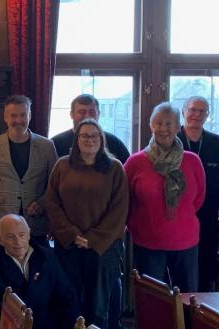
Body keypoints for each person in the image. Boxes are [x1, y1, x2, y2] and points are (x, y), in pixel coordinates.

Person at [43, 119, 128, 329]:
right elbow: (52, 202)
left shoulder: (115, 168)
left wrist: (92, 239)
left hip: (104, 247)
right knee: (69, 301)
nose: (89, 140)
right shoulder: (62, 165)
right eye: (84, 136)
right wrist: (72, 234)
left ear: (102, 139)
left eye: (94, 136)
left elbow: (119, 210)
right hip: (68, 244)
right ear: (77, 139)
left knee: (99, 306)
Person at [124, 103, 206, 292]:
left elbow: (198, 199)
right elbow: (125, 200)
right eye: (158, 123)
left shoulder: (192, 161)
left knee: (187, 298)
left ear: (178, 127)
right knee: (152, 299)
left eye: (169, 124)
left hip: (185, 241)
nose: (164, 129)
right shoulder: (135, 162)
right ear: (151, 126)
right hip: (147, 241)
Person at [0, 214, 79, 329]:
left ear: (28, 234)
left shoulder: (47, 257)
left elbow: (67, 295)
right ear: (0, 239)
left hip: (44, 323)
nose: (18, 242)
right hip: (7, 324)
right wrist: (9, 313)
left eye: (22, 235)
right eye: (10, 237)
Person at [0, 95, 58, 248]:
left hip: (36, 224)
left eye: (23, 115)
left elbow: (56, 183)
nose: (18, 120)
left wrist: (42, 203)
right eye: (13, 115)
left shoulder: (47, 146)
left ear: (29, 116)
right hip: (0, 223)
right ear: (5, 117)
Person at [175, 96, 219, 292]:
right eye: (192, 110)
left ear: (208, 115)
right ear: (183, 112)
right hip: (176, 216)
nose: (196, 115)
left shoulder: (217, 143)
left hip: (208, 217)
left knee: (206, 267)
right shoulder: (171, 141)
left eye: (202, 111)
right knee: (177, 270)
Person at [50, 94, 131, 163]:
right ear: (71, 114)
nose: (87, 116)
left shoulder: (114, 143)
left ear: (98, 114)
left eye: (92, 112)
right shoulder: (55, 144)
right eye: (82, 112)